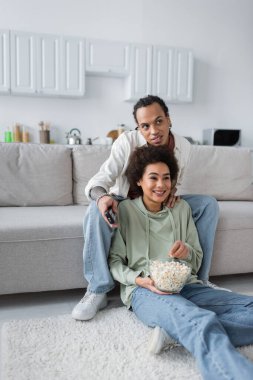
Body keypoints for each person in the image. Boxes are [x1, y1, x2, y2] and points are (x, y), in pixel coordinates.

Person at [72, 94, 223, 322]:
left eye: (159, 121)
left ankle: (199, 278)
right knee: (95, 210)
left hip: (161, 200)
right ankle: (98, 288)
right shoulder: (126, 142)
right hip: (124, 202)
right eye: (145, 126)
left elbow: (175, 180)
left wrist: (172, 193)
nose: (153, 130)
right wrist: (102, 197)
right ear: (138, 128)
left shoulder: (184, 147)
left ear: (169, 119)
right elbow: (99, 181)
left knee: (207, 205)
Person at [109, 145, 253, 380]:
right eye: (153, 178)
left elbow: (195, 261)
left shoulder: (181, 209)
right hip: (145, 291)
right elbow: (115, 261)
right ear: (138, 181)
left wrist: (186, 251)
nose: (161, 185)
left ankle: (176, 334)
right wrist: (138, 280)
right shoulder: (125, 211)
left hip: (188, 285)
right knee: (199, 319)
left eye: (166, 178)